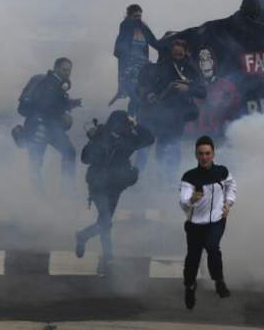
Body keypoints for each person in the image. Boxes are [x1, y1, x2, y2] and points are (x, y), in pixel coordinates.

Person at [75, 111, 155, 273]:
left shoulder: (128, 138)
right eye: (122, 124)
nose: (123, 128)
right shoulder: (101, 136)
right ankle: (102, 251)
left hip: (116, 185)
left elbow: (149, 139)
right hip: (98, 185)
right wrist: (94, 143)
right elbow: (85, 159)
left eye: (126, 124)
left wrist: (135, 124)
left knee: (105, 221)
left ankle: (98, 250)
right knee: (105, 221)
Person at [180, 135, 236, 310]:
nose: (204, 157)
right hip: (195, 224)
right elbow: (183, 201)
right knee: (193, 258)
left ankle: (219, 281)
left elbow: (231, 187)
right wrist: (192, 200)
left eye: (207, 153)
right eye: (200, 154)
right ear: (196, 155)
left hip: (217, 221)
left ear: (213, 154)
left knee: (212, 247)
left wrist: (228, 203)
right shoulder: (189, 176)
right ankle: (190, 287)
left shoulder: (222, 172)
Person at [140, 39, 206, 183]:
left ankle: (171, 177)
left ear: (185, 52)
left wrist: (189, 88)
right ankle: (162, 176)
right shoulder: (162, 67)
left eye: (181, 53)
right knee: (162, 143)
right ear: (171, 52)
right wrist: (150, 95)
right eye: (175, 53)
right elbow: (148, 87)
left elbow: (203, 92)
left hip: (180, 115)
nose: (178, 55)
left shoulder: (192, 68)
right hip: (163, 113)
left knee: (173, 144)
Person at [12, 57, 81, 194]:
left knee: (70, 153)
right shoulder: (43, 82)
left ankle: (67, 189)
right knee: (35, 165)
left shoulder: (59, 86)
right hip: (37, 127)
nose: (67, 73)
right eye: (64, 70)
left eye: (69, 71)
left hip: (52, 128)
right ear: (56, 68)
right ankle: (39, 198)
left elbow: (57, 104)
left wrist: (71, 103)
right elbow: (32, 105)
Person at [111, 4, 160, 114]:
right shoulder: (125, 26)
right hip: (130, 67)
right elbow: (118, 51)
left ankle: (138, 119)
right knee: (135, 96)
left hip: (143, 67)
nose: (138, 19)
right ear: (129, 16)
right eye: (135, 16)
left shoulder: (143, 28)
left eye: (139, 16)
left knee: (142, 95)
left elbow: (155, 43)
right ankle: (131, 119)